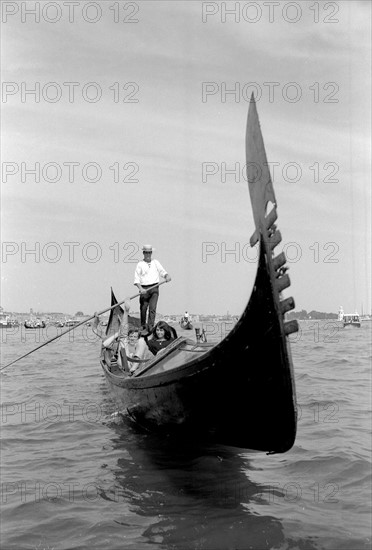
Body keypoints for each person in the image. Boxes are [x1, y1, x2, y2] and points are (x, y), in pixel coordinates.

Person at [93, 299, 148, 375]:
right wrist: (96, 319)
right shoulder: (118, 341)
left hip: (137, 367)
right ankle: (126, 312)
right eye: (131, 336)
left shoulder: (139, 343)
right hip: (123, 364)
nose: (132, 338)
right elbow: (95, 330)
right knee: (121, 339)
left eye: (134, 337)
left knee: (141, 342)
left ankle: (134, 369)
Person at [134, 244, 171, 333]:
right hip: (144, 289)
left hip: (154, 288)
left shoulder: (155, 262)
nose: (148, 254)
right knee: (143, 308)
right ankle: (143, 325)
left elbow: (163, 272)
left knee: (152, 308)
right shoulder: (140, 264)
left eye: (149, 252)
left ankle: (150, 327)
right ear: (143, 253)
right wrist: (140, 288)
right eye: (146, 252)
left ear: (151, 253)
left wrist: (167, 276)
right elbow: (136, 279)